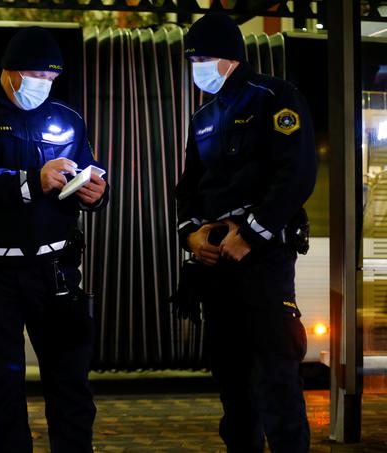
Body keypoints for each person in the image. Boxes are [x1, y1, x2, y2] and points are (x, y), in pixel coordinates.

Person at [0, 26, 109, 453]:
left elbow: (84, 171)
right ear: (10, 71)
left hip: (54, 273)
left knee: (70, 387)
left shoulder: (68, 118)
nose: (43, 85)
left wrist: (95, 193)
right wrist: (32, 181)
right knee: (0, 392)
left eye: (51, 78)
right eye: (37, 75)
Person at [174, 13, 317, 453]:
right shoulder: (203, 117)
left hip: (264, 263)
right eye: (192, 58)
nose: (197, 65)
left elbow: (296, 175)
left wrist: (250, 234)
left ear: (231, 59)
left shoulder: (275, 98)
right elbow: (189, 188)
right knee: (232, 383)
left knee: (277, 379)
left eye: (203, 57)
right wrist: (191, 235)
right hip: (218, 266)